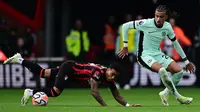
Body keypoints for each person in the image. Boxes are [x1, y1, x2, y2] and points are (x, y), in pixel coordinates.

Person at [118, 5, 195, 106]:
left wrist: (186, 62)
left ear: (166, 17)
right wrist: (125, 45)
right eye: (156, 16)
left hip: (158, 54)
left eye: (161, 17)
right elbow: (125, 26)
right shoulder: (146, 23)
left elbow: (176, 44)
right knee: (162, 70)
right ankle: (178, 96)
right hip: (144, 55)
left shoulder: (167, 27)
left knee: (179, 72)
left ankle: (164, 93)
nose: (158, 19)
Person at [3, 53, 141, 107]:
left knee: (42, 73)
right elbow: (94, 92)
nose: (113, 77)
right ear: (109, 69)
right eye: (112, 73)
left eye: (115, 76)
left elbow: (116, 94)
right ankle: (31, 92)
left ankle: (19, 59)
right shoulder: (99, 73)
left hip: (70, 69)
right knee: (55, 91)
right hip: (69, 68)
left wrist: (128, 105)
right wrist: (105, 107)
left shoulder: (109, 79)